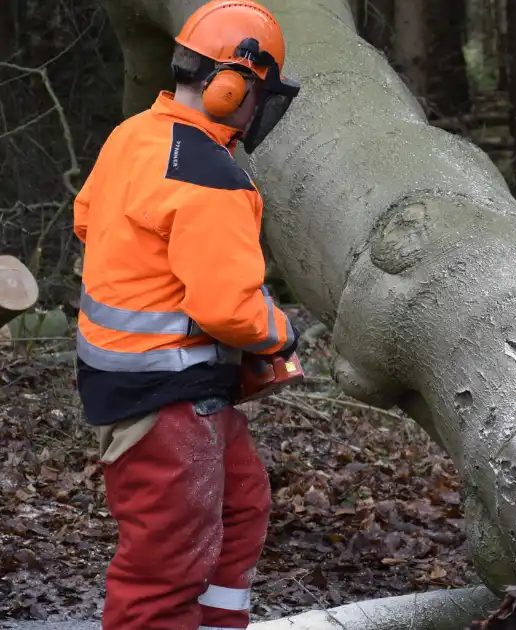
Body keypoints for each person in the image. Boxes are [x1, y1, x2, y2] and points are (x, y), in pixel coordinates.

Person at [71, 1, 302, 627]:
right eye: (260, 93)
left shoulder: (134, 136)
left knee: (242, 505)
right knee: (165, 566)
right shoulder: (207, 175)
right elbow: (229, 309)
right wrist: (281, 331)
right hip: (165, 394)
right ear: (232, 86)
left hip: (151, 383)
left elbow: (86, 218)